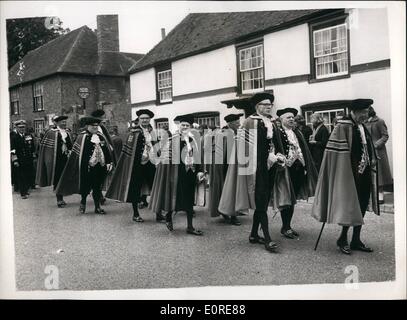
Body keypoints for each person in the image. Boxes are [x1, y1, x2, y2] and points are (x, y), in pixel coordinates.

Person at [219, 93, 288, 253]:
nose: (268, 106)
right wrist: (264, 158)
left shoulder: (272, 122)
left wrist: (279, 155)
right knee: (261, 201)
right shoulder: (250, 122)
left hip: (270, 167)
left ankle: (253, 235)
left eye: (270, 104)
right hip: (255, 169)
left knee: (262, 203)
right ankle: (268, 239)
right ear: (257, 106)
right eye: (264, 104)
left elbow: (275, 143)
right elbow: (244, 149)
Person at [311, 99, 379, 254]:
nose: (366, 115)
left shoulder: (361, 126)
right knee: (349, 207)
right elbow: (334, 153)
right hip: (349, 173)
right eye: (364, 112)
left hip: (365, 172)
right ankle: (342, 238)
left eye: (367, 112)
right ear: (355, 112)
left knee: (361, 206)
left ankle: (356, 239)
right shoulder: (343, 126)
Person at [149, 114, 205, 236]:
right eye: (183, 125)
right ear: (179, 126)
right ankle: (169, 216)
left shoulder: (194, 139)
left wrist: (200, 170)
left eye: (187, 125)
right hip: (176, 174)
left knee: (189, 201)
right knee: (175, 198)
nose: (185, 127)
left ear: (190, 127)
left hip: (190, 173)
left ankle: (190, 227)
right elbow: (165, 158)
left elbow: (198, 157)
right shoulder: (172, 140)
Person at [106, 109, 159, 222]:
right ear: (139, 120)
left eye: (147, 118)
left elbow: (156, 146)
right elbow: (129, 149)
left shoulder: (152, 131)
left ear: (150, 119)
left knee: (155, 187)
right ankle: (135, 214)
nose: (144, 120)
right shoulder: (134, 132)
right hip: (137, 165)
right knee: (135, 189)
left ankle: (158, 214)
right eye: (142, 118)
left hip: (151, 163)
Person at [55, 116, 113, 214]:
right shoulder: (82, 137)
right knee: (85, 187)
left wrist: (109, 162)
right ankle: (83, 203)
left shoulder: (101, 136)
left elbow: (107, 151)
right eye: (92, 125)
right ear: (87, 126)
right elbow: (78, 154)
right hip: (87, 168)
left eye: (96, 125)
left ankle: (97, 207)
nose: (95, 127)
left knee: (97, 187)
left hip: (100, 167)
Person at [276, 108, 318, 239]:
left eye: (292, 117)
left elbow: (303, 149)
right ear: (281, 119)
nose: (291, 119)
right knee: (286, 199)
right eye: (288, 117)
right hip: (286, 169)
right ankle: (285, 227)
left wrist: (305, 165)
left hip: (299, 168)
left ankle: (287, 226)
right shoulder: (278, 132)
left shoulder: (297, 132)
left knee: (292, 199)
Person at [208, 113, 244, 225]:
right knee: (228, 190)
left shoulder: (236, 133)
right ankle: (230, 214)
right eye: (237, 122)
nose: (239, 124)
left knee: (235, 190)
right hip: (225, 167)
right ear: (231, 123)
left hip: (235, 165)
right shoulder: (223, 134)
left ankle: (231, 211)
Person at [35, 115, 73, 207]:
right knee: (57, 179)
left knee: (64, 178)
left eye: (65, 122)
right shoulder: (51, 133)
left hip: (66, 159)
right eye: (62, 122)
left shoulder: (67, 132)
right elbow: (46, 149)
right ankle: (59, 199)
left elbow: (70, 145)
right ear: (57, 123)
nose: (64, 123)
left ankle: (62, 197)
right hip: (56, 160)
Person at [365, 106, 393, 204]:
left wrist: (376, 144)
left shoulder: (379, 121)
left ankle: (380, 194)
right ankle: (372, 195)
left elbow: (385, 135)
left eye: (365, 111)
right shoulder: (364, 122)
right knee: (369, 172)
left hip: (378, 151)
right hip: (367, 151)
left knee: (379, 173)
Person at [10, 120, 36, 199]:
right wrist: (15, 160)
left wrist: (34, 155)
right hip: (20, 159)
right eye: (20, 127)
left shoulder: (28, 136)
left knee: (28, 175)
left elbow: (32, 146)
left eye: (23, 127)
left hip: (28, 159)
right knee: (21, 176)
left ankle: (26, 190)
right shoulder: (14, 137)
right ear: (17, 128)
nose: (22, 129)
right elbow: (13, 150)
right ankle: (23, 193)